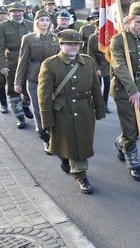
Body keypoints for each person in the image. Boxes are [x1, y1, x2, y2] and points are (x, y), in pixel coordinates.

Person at [37, 29, 105, 194]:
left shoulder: (88, 62)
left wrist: (99, 109)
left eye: (76, 44)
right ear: (61, 44)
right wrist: (47, 120)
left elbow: (96, 88)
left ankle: (68, 158)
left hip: (84, 110)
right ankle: (81, 174)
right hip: (63, 111)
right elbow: (44, 95)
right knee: (68, 141)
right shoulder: (50, 64)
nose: (73, 47)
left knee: (81, 142)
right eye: (69, 43)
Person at [111, 2, 140, 181]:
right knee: (130, 128)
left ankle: (120, 141)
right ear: (129, 20)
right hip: (124, 91)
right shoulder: (118, 40)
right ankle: (133, 163)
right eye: (138, 22)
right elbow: (119, 66)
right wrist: (132, 90)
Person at [14, 9, 60, 154]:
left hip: (53, 78)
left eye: (47, 20)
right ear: (36, 22)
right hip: (34, 78)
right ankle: (44, 136)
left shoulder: (56, 38)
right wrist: (18, 81)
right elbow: (23, 60)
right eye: (41, 20)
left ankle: (55, 135)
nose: (45, 23)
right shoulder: (29, 38)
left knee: (55, 108)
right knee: (39, 109)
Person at [0, 2, 34, 128]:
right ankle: (20, 117)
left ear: (24, 11)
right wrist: (2, 65)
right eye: (14, 11)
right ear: (10, 12)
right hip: (12, 62)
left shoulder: (31, 25)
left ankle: (25, 105)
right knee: (13, 90)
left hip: (29, 62)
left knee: (29, 88)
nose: (17, 14)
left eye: (19, 11)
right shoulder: (2, 26)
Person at [87, 19, 111, 113]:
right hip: (96, 64)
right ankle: (98, 103)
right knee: (98, 85)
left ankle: (105, 103)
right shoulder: (93, 38)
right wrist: (96, 68)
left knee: (108, 84)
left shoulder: (109, 36)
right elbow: (91, 54)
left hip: (106, 65)